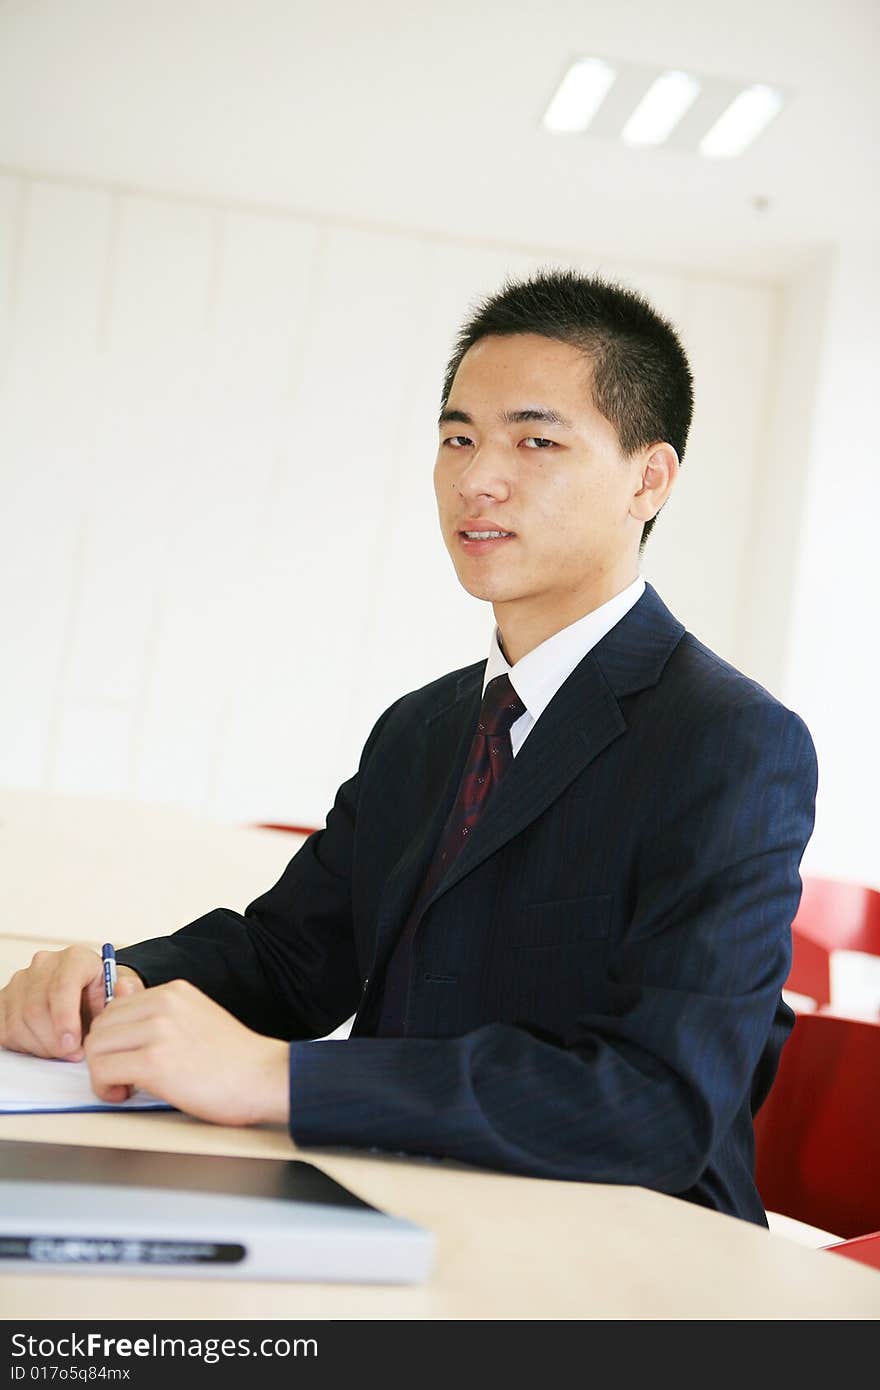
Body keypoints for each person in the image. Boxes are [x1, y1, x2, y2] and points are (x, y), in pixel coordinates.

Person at [0, 270, 818, 1226]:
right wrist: (115, 984)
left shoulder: (733, 740)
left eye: (535, 439)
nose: (477, 475)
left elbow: (659, 1104)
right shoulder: (425, 727)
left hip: (625, 1254)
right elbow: (288, 958)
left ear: (650, 477)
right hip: (393, 1202)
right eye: (458, 437)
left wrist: (283, 1081)